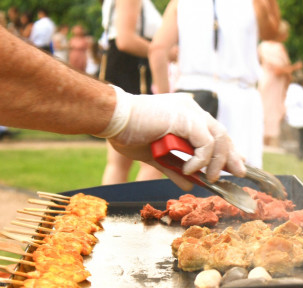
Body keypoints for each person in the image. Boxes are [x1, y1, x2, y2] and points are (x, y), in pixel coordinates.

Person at [0, 25, 247, 190]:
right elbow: (145, 45)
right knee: (138, 164)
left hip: (123, 87)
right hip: (130, 79)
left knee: (135, 160)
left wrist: (123, 114)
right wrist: (126, 112)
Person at [149, 0, 281, 170]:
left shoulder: (180, 3)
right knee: (243, 180)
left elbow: (158, 50)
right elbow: (271, 33)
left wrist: (167, 101)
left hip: (193, 96)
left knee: (191, 178)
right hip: (239, 97)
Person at [101, 0, 165, 185]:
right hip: (135, 77)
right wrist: (166, 52)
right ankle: (137, 211)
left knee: (118, 161)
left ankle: (109, 210)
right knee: (154, 161)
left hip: (121, 74)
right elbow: (125, 40)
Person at [258, 20, 303, 147]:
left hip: (275, 85)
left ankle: (268, 143)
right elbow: (278, 70)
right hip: (271, 85)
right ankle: (268, 144)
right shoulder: (270, 47)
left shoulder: (265, 46)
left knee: (273, 112)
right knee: (269, 112)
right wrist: (295, 67)